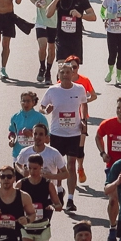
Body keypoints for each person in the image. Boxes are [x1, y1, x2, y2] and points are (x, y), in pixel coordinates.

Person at [42, 59, 92, 209]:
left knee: (71, 164)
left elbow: (84, 104)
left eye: (68, 72)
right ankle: (59, 189)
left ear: (73, 74)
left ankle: (70, 199)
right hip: (57, 133)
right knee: (58, 166)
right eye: (62, 72)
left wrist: (83, 121)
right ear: (58, 74)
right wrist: (46, 110)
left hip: (73, 133)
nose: (65, 75)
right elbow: (42, 107)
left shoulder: (79, 89)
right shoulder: (52, 90)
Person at [29, 0, 64, 80]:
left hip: (54, 21)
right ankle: (42, 67)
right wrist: (36, 3)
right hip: (41, 20)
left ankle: (48, 71)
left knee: (51, 47)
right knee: (42, 46)